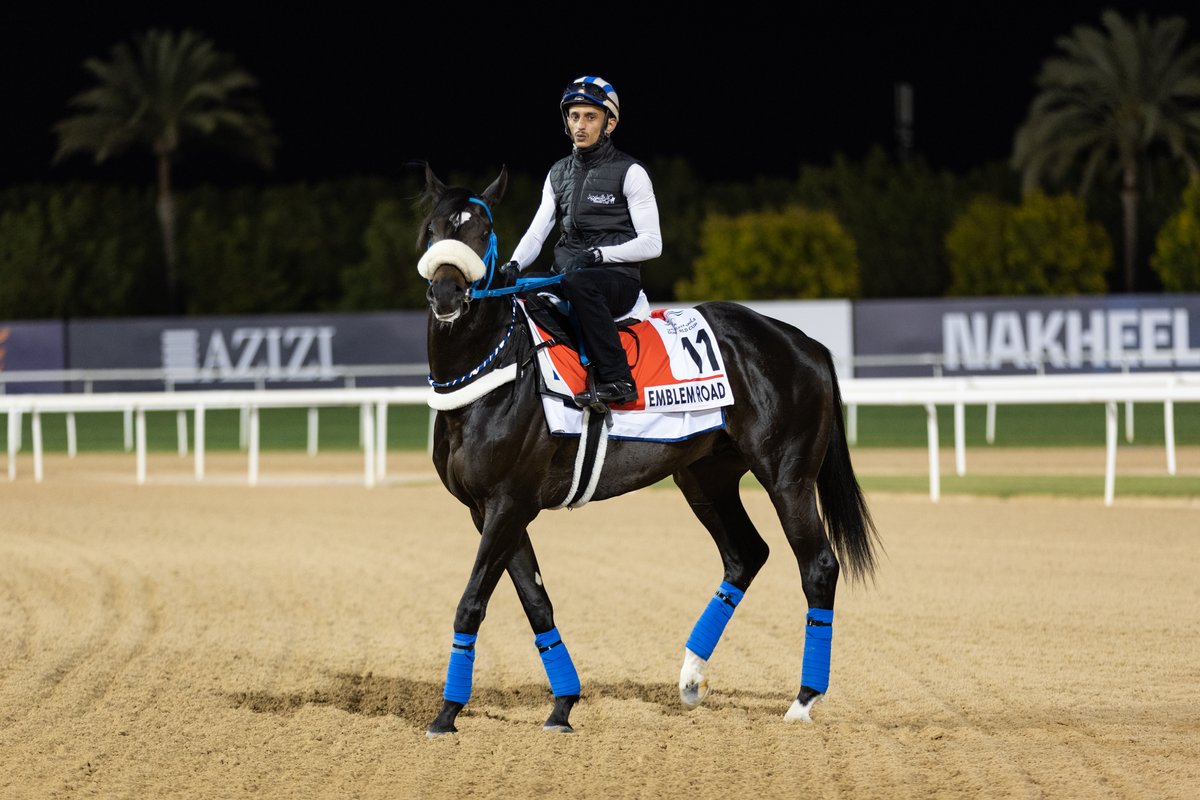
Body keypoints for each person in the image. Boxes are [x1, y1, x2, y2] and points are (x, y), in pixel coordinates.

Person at [501, 75, 662, 406]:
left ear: (610, 123)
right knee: (519, 291)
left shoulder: (631, 172)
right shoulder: (557, 173)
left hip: (617, 280)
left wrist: (599, 256)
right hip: (570, 276)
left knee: (579, 281)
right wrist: (513, 266)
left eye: (590, 116)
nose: (580, 125)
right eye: (574, 116)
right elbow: (536, 233)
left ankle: (619, 378)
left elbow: (652, 243)